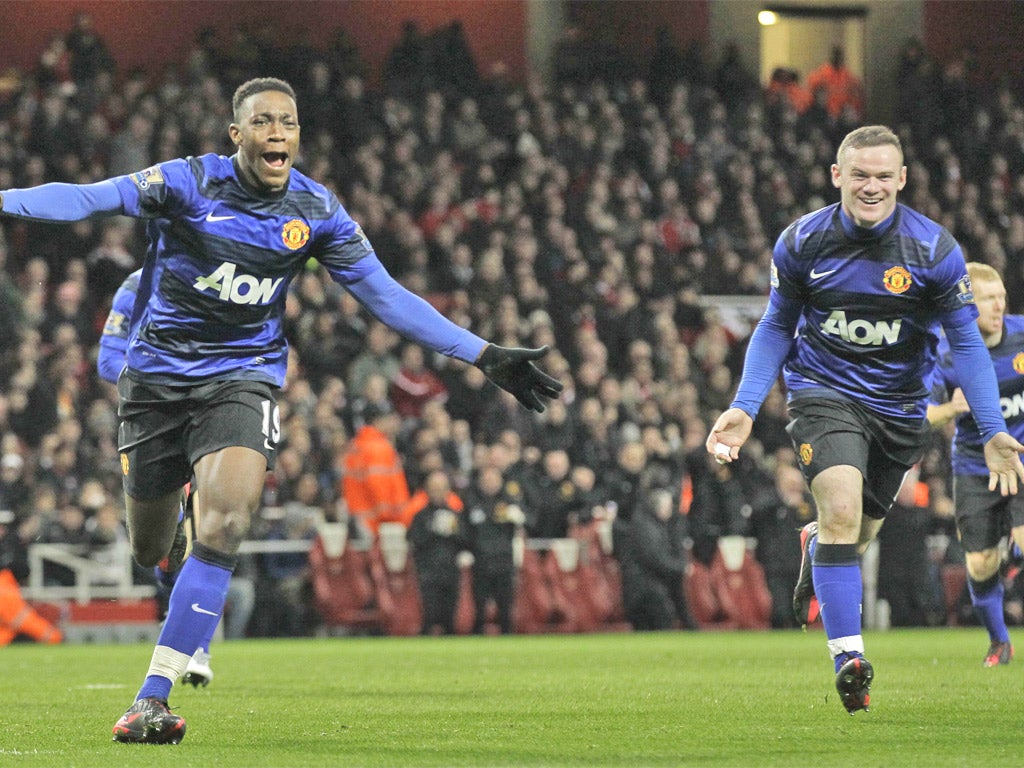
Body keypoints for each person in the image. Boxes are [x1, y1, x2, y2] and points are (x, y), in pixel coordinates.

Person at [0, 76, 562, 744]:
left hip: (242, 376)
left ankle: (152, 698)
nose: (277, 133)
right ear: (236, 135)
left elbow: (385, 295)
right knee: (150, 546)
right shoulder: (186, 183)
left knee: (231, 516)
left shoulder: (316, 210)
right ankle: (177, 516)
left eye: (288, 123)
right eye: (262, 122)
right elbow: (89, 199)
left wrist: (481, 353)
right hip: (154, 383)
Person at [706, 125, 1024, 715]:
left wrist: (993, 427)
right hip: (822, 391)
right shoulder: (803, 242)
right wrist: (745, 407)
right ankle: (848, 659)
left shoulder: (933, 252)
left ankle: (817, 540)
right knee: (844, 512)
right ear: (837, 176)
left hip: (900, 407)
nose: (871, 186)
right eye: (860, 175)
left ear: (902, 179)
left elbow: (969, 345)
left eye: (883, 176)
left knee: (857, 534)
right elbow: (776, 325)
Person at [98, 268, 214, 687]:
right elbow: (107, 359)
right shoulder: (135, 288)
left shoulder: (214, 277)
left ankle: (199, 646)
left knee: (211, 528)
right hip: (155, 421)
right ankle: (174, 597)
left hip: (206, 416)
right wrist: (160, 375)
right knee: (162, 547)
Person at [928, 261, 1024, 665]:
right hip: (972, 467)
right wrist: (950, 408)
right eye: (988, 299)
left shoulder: (1021, 334)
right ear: (967, 305)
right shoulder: (946, 354)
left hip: (1019, 461)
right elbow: (924, 415)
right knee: (981, 563)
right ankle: (999, 641)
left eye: (1001, 296)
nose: (999, 305)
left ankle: (1016, 551)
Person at [404, 470, 468, 635]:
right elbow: (413, 540)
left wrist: (453, 531)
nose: (438, 492)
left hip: (450, 569)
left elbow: (465, 540)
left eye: (441, 488)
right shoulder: (420, 516)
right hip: (427, 571)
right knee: (429, 614)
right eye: (434, 488)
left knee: (449, 615)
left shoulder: (456, 513)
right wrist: (432, 529)